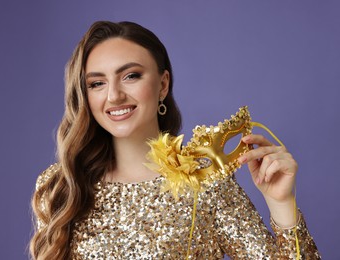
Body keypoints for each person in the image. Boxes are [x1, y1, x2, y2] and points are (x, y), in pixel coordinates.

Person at [29, 21, 320, 259]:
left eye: (130, 76)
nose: (114, 95)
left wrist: (282, 204)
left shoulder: (204, 182)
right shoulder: (60, 187)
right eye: (97, 83)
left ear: (163, 84)